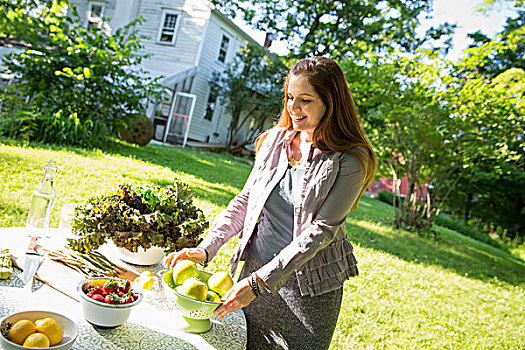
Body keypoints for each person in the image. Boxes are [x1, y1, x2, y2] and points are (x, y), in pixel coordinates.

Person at [164, 56, 377, 349]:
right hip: (255, 266)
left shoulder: (350, 159)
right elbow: (247, 199)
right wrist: (206, 248)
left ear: (331, 103)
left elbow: (322, 231)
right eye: (290, 97)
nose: (293, 108)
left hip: (310, 286)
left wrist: (258, 283)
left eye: (305, 100)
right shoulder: (275, 141)